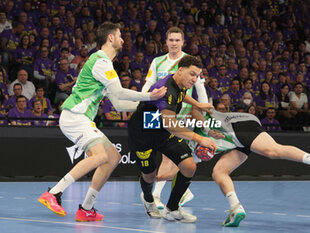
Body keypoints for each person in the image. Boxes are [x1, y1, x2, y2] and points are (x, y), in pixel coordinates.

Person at [38, 22, 166, 222]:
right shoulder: (100, 61)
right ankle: (54, 193)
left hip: (81, 118)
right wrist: (150, 96)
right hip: (75, 115)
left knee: (113, 157)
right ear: (110, 38)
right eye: (120, 35)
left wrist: (154, 107)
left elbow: (120, 104)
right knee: (99, 156)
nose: (123, 39)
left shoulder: (105, 66)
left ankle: (86, 208)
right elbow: (120, 92)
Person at [172, 110, 310, 227]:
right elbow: (176, 169)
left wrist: (208, 130)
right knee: (219, 171)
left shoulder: (189, 125)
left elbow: (194, 111)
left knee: (272, 151)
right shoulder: (190, 152)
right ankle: (235, 208)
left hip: (237, 125)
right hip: (237, 142)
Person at [128, 55, 216, 223]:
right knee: (150, 176)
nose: (195, 79)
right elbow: (170, 123)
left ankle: (172, 209)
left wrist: (198, 105)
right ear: (180, 70)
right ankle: (148, 199)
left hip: (162, 132)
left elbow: (181, 95)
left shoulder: (180, 82)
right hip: (143, 135)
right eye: (192, 74)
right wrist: (199, 139)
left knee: (189, 166)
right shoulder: (166, 88)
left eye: (197, 75)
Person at [141, 27, 209, 209]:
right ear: (166, 41)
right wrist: (140, 101)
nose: (174, 43)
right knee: (168, 156)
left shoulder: (189, 62)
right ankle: (180, 193)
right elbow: (148, 84)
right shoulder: (157, 61)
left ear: (182, 42)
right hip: (160, 113)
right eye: (171, 40)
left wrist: (203, 111)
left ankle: (156, 195)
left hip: (183, 112)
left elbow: (200, 88)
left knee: (170, 156)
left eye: (177, 40)